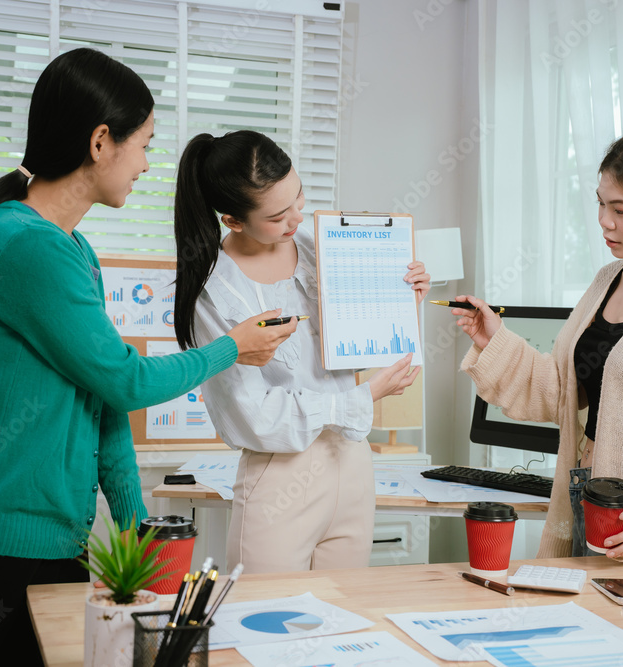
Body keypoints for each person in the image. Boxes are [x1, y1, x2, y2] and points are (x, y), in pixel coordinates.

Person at [0, 49, 294, 666]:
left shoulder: (73, 249)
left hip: (52, 542)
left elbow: (103, 399)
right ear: (100, 143)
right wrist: (232, 347)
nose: (146, 164)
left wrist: (134, 530)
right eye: (143, 145)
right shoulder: (22, 244)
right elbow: (126, 380)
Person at [454, 133, 623, 561]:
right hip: (586, 498)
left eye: (621, 210)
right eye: (601, 204)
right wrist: (495, 340)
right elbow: (563, 391)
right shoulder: (609, 279)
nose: (605, 221)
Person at [172, 130, 431, 573]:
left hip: (352, 461)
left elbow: (351, 355)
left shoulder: (321, 250)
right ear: (233, 221)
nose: (296, 218)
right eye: (277, 216)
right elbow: (254, 415)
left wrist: (401, 303)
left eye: (298, 198)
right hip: (280, 475)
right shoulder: (215, 294)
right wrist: (364, 397)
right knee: (265, 612)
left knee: (344, 608)